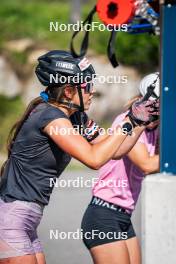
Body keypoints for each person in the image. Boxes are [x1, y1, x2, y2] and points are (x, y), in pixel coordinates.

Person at [0, 50, 158, 264]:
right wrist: (129, 120)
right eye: (87, 86)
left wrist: (141, 123)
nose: (93, 91)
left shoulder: (76, 118)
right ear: (67, 91)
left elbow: (116, 150)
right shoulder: (50, 117)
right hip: (11, 216)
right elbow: (94, 159)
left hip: (28, 218)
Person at [81, 72, 160, 264]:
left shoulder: (154, 128)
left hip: (123, 216)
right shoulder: (129, 121)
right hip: (104, 215)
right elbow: (147, 164)